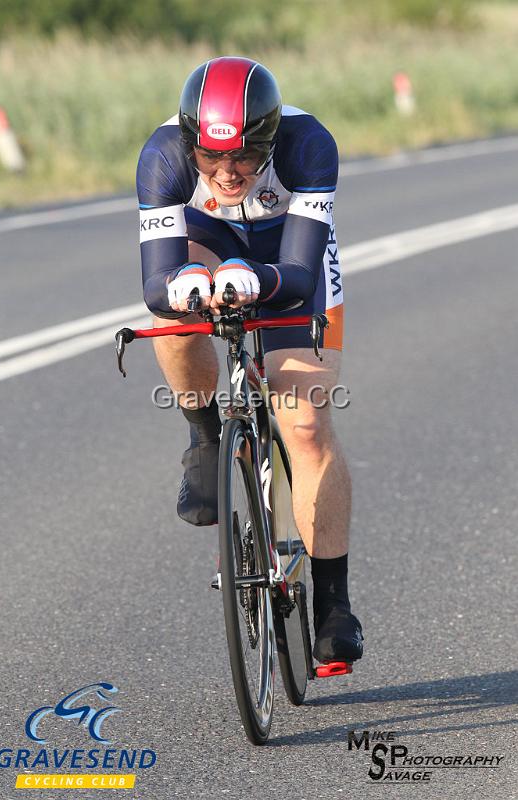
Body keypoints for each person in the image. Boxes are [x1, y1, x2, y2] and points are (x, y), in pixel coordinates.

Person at [136, 56, 363, 665]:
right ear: (191, 145)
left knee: (308, 423)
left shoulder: (308, 145)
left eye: (242, 156)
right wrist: (183, 290)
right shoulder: (162, 156)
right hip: (206, 242)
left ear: (267, 140)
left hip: (285, 253)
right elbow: (156, 284)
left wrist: (254, 277)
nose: (227, 172)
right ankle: (207, 436)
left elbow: (296, 276)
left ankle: (333, 602)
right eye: (211, 158)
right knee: (173, 323)